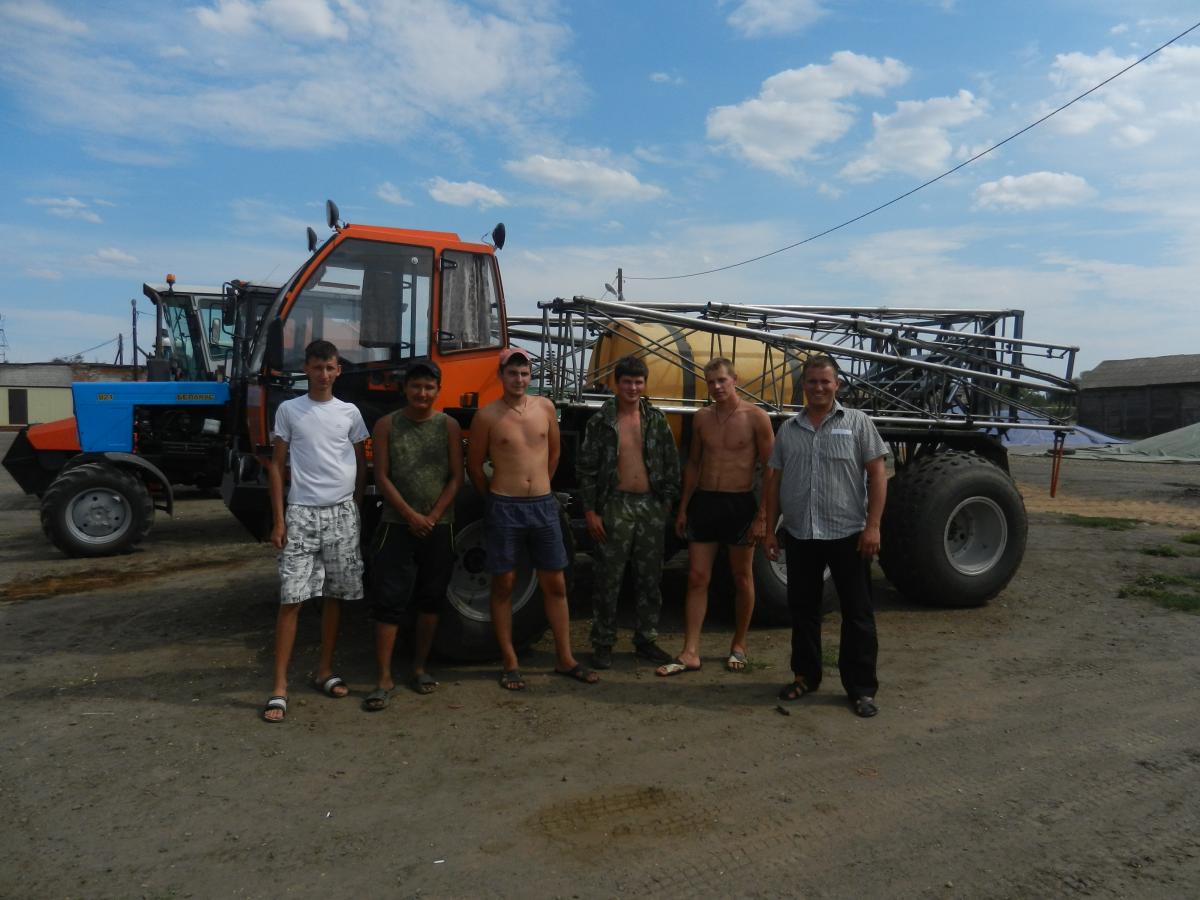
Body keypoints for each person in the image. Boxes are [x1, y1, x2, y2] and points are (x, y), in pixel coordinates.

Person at [762, 354, 887, 718]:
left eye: (825, 382)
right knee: (803, 611)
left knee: (858, 614)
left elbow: (878, 476)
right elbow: (773, 481)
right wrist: (769, 529)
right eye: (812, 382)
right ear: (804, 386)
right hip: (801, 534)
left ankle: (861, 689)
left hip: (848, 534)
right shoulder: (789, 429)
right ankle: (805, 676)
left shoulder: (859, 423)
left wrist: (873, 525)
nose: (818, 388)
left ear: (837, 385)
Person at [466, 347, 598, 690]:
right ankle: (510, 660)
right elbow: (475, 464)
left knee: (554, 582)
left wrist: (542, 485)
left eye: (524, 373)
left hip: (542, 505)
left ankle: (565, 657)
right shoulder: (488, 416)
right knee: (504, 583)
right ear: (501, 376)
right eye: (513, 373)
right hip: (504, 506)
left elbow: (554, 452)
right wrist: (493, 497)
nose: (519, 379)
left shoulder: (545, 408)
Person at [262, 339, 368, 723]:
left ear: (339, 371)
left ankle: (324, 670)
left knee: (335, 595)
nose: (324, 374)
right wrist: (279, 519)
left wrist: (353, 506)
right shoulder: (290, 410)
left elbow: (360, 460)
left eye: (330, 367)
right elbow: (276, 465)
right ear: (306, 369)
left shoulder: (350, 413)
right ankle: (279, 687)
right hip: (301, 513)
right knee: (292, 598)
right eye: (317, 367)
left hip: (341, 513)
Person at [657, 358, 774, 676]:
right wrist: (683, 507)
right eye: (711, 382)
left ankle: (739, 645)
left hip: (740, 504)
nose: (717, 387)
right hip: (705, 502)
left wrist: (763, 515)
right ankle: (690, 651)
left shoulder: (756, 417)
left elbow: (772, 470)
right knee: (697, 578)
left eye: (722, 380)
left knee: (741, 577)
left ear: (735, 379)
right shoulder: (702, 418)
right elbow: (693, 463)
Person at [362, 358, 462, 712]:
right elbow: (382, 477)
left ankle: (419, 668)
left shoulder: (448, 426)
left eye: (429, 387)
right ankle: (384, 677)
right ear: (405, 389)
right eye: (416, 386)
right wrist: (409, 515)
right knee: (388, 601)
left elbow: (456, 477)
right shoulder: (387, 425)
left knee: (431, 598)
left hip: (439, 525)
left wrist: (432, 516)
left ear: (437, 390)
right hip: (396, 524)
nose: (422, 393)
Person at [577, 355, 680, 670]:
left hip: (650, 506)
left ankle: (646, 639)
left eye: (638, 382)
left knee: (650, 578)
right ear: (616, 384)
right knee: (609, 578)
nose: (633, 387)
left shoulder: (657, 420)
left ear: (644, 384)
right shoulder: (601, 422)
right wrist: (592, 512)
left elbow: (671, 462)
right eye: (627, 382)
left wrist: (666, 504)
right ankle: (604, 643)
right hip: (615, 505)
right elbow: (586, 469)